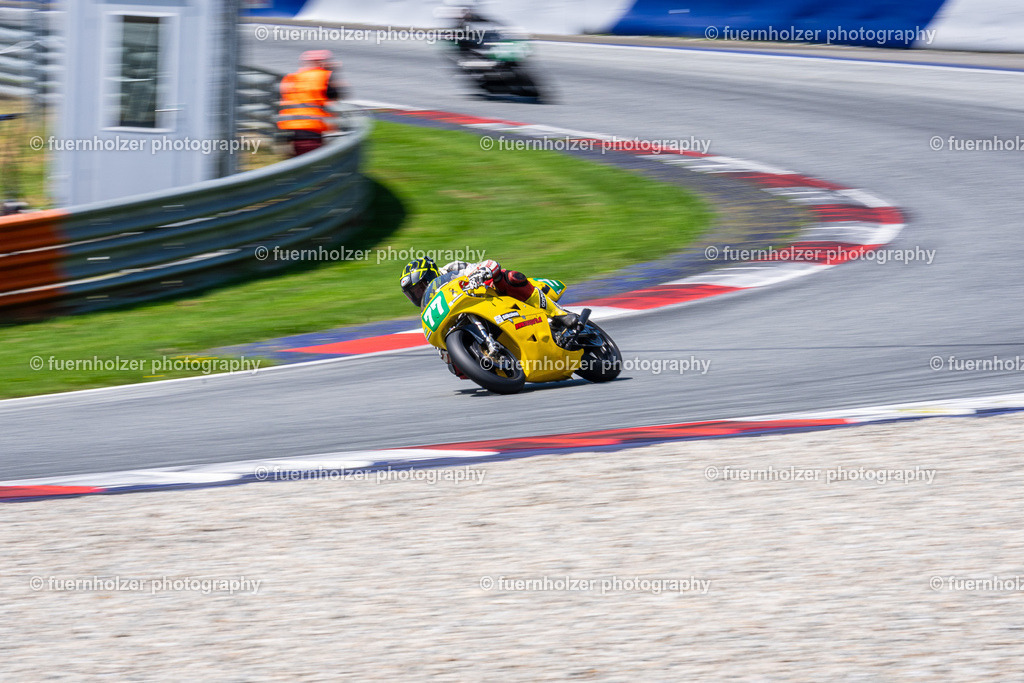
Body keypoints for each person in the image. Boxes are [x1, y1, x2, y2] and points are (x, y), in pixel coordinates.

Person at [277, 50, 345, 157]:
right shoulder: (324, 76)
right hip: (311, 131)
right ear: (322, 62)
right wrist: (334, 71)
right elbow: (336, 95)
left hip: (289, 132)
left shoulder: (291, 78)